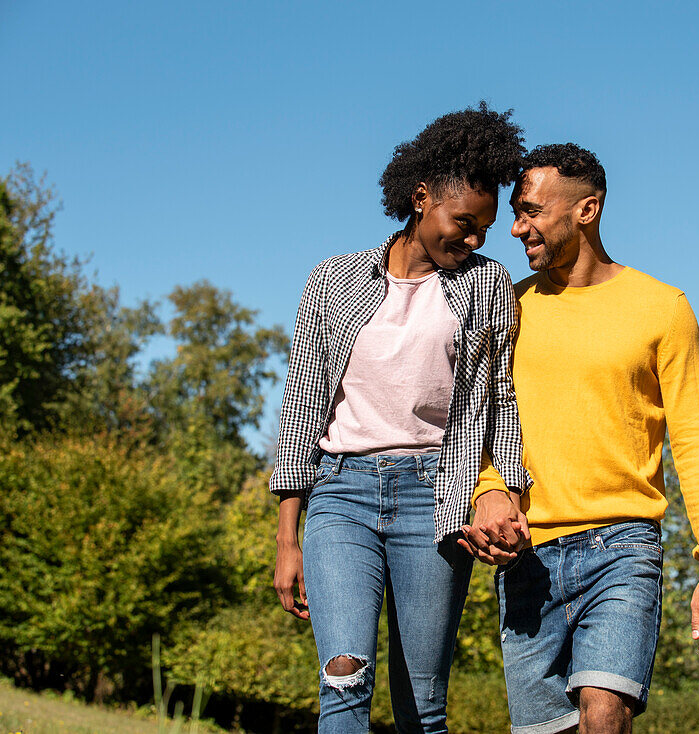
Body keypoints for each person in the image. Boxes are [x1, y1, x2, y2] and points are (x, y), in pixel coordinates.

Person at [270, 103, 532, 733]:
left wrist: (507, 497)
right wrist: (286, 538)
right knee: (343, 679)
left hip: (433, 498)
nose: (472, 240)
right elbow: (300, 410)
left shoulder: (488, 285)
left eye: (484, 230)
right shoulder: (335, 280)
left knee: (422, 707)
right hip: (340, 496)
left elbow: (501, 403)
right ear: (421, 199)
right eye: (462, 223)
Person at [461, 143, 699, 734]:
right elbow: (476, 418)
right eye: (516, 212)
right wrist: (486, 488)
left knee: (604, 710)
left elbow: (694, 443)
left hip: (623, 547)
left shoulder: (663, 308)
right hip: (527, 555)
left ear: (586, 210)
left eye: (532, 211)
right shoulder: (507, 307)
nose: (515, 228)